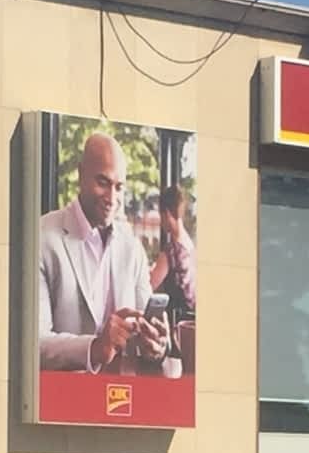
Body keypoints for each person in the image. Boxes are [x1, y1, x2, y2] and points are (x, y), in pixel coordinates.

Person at [36, 131, 169, 373]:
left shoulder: (132, 248)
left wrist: (158, 346)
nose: (112, 198)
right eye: (103, 183)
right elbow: (34, 344)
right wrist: (95, 348)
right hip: (58, 400)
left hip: (122, 399)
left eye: (119, 187)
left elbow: (150, 332)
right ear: (80, 174)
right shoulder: (41, 238)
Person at [149, 184, 197, 318]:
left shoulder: (171, 251)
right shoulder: (189, 245)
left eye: (161, 215)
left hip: (176, 321)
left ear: (167, 213)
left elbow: (148, 286)